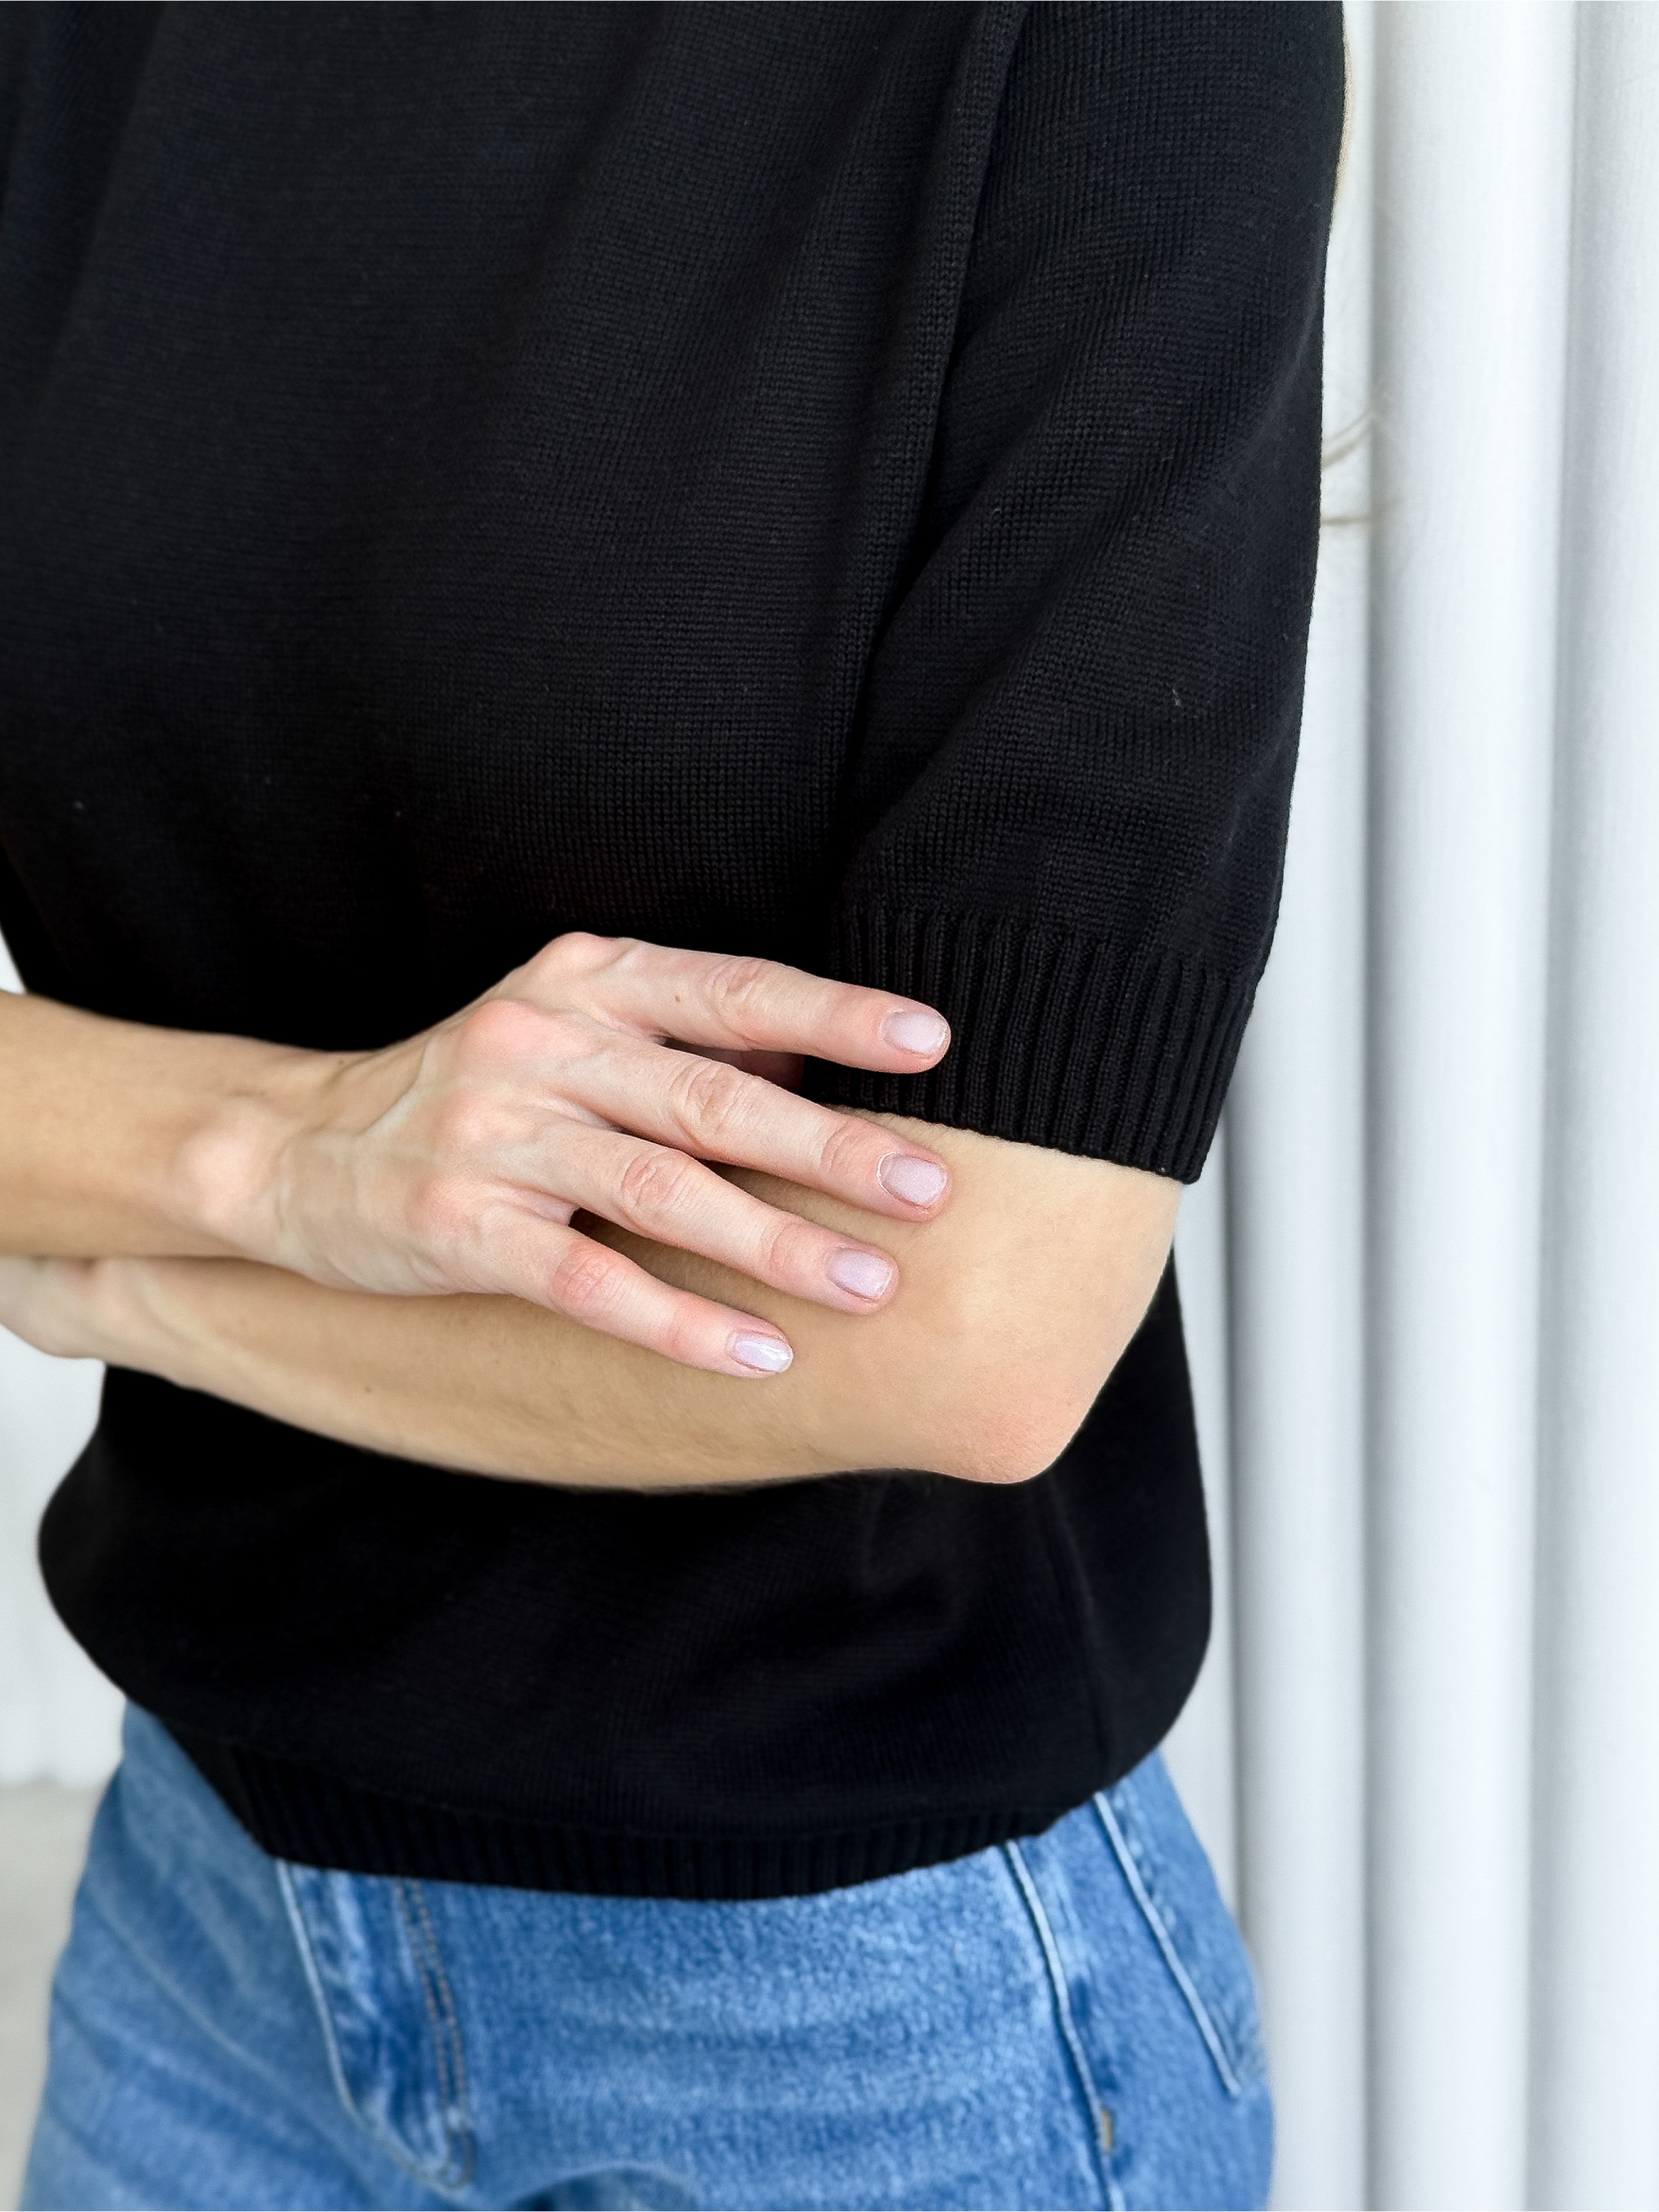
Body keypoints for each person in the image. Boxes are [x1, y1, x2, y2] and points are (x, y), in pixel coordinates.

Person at [0, 5, 1343, 2207]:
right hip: (204, 1932)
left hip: (856, 2019)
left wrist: (113, 1277)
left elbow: (967, 1325)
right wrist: (274, 1160)